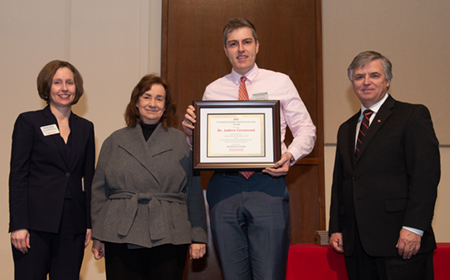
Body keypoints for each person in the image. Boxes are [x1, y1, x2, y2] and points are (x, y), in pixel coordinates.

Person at [182, 18, 316, 280]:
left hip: (268, 184)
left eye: (246, 42)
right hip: (224, 189)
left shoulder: (280, 82)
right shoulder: (213, 90)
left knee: (269, 274)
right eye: (233, 44)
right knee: (233, 275)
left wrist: (290, 155)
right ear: (225, 50)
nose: (240, 49)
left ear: (257, 46)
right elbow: (203, 147)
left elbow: (306, 129)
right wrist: (190, 135)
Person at [329, 51, 440, 280]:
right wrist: (337, 227)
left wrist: (414, 227)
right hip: (356, 245)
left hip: (400, 243)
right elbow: (340, 183)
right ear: (352, 83)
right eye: (359, 77)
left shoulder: (412, 115)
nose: (366, 82)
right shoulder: (346, 128)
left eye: (374, 75)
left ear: (387, 81)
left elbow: (425, 177)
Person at [91, 74, 207, 280]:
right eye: (146, 97)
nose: (152, 103)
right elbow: (100, 190)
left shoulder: (183, 142)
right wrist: (99, 234)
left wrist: (198, 236)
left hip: (170, 231)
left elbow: (194, 190)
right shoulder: (114, 140)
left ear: (166, 106)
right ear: (136, 102)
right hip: (120, 230)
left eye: (159, 98)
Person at [9, 60, 95, 279]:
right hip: (34, 226)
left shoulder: (86, 128)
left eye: (69, 82)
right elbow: (18, 176)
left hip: (73, 226)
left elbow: (89, 179)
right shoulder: (29, 122)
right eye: (57, 82)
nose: (64, 88)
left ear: (77, 88)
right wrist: (18, 224)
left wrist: (89, 223)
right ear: (47, 86)